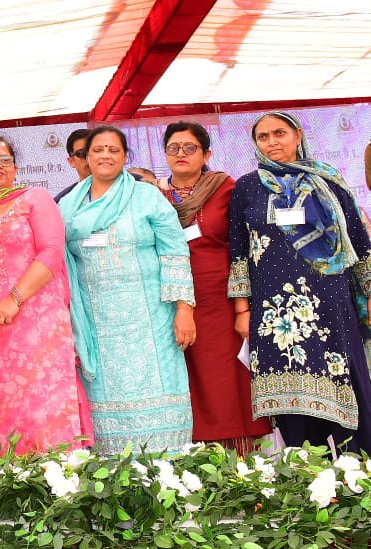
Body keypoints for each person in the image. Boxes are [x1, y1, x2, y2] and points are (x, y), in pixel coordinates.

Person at [229, 112, 371, 452]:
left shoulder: (327, 181)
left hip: (331, 301)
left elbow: (358, 239)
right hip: (274, 310)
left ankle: (357, 469)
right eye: (263, 137)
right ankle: (307, 473)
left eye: (279, 133)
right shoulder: (247, 187)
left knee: (345, 379)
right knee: (290, 395)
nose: (272, 142)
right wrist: (242, 309)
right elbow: (238, 250)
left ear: (297, 135)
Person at [59, 125, 196, 454]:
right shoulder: (67, 206)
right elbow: (60, 262)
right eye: (98, 150)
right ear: (86, 157)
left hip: (151, 321)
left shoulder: (147, 197)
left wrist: (184, 309)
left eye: (113, 150)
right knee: (105, 398)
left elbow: (174, 251)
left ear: (125, 157)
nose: (105, 156)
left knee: (160, 390)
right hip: (96, 324)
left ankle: (167, 470)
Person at [0, 137, 92, 454]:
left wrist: (14, 300)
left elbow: (51, 252)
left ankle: (59, 473)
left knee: (43, 400)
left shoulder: (35, 198)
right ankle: (11, 477)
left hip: (38, 322)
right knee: (1, 403)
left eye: (4, 160)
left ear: (16, 168)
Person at [157, 122, 271, 454]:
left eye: (190, 147)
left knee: (226, 380)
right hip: (172, 300)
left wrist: (244, 306)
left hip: (222, 298)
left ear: (206, 154)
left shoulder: (226, 189)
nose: (181, 153)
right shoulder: (152, 196)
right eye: (174, 147)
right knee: (188, 380)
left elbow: (244, 246)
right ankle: (197, 463)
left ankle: (243, 463)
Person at [54, 128, 91, 202]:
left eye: (96, 151)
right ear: (71, 161)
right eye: (81, 153)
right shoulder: (61, 201)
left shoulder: (116, 189)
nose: (89, 158)